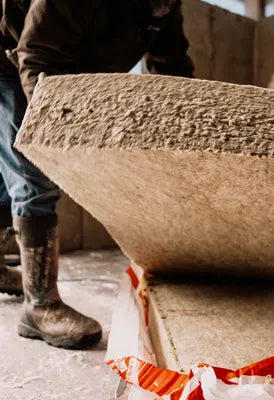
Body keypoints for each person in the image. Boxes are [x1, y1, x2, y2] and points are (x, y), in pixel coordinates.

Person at [0, 0, 194, 349]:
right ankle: (40, 306)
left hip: (60, 56)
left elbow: (171, 63)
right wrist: (61, 140)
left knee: (8, 174)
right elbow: (38, 55)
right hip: (12, 56)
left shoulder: (165, 4)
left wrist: (186, 132)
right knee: (32, 168)